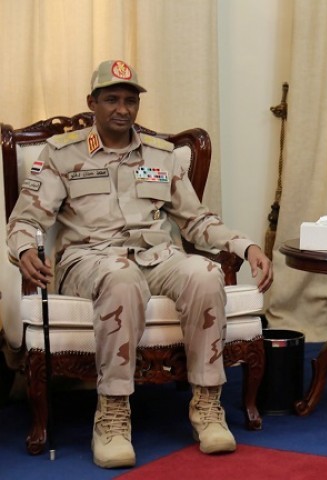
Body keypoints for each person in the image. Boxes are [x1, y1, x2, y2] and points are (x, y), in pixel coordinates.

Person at [6, 60, 273, 469]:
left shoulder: (162, 156)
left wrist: (246, 245)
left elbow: (196, 220)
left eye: (130, 101)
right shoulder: (61, 153)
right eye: (111, 99)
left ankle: (206, 405)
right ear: (92, 103)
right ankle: (112, 415)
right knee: (121, 277)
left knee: (204, 273)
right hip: (90, 260)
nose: (122, 109)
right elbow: (26, 219)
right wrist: (25, 249)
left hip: (156, 256)